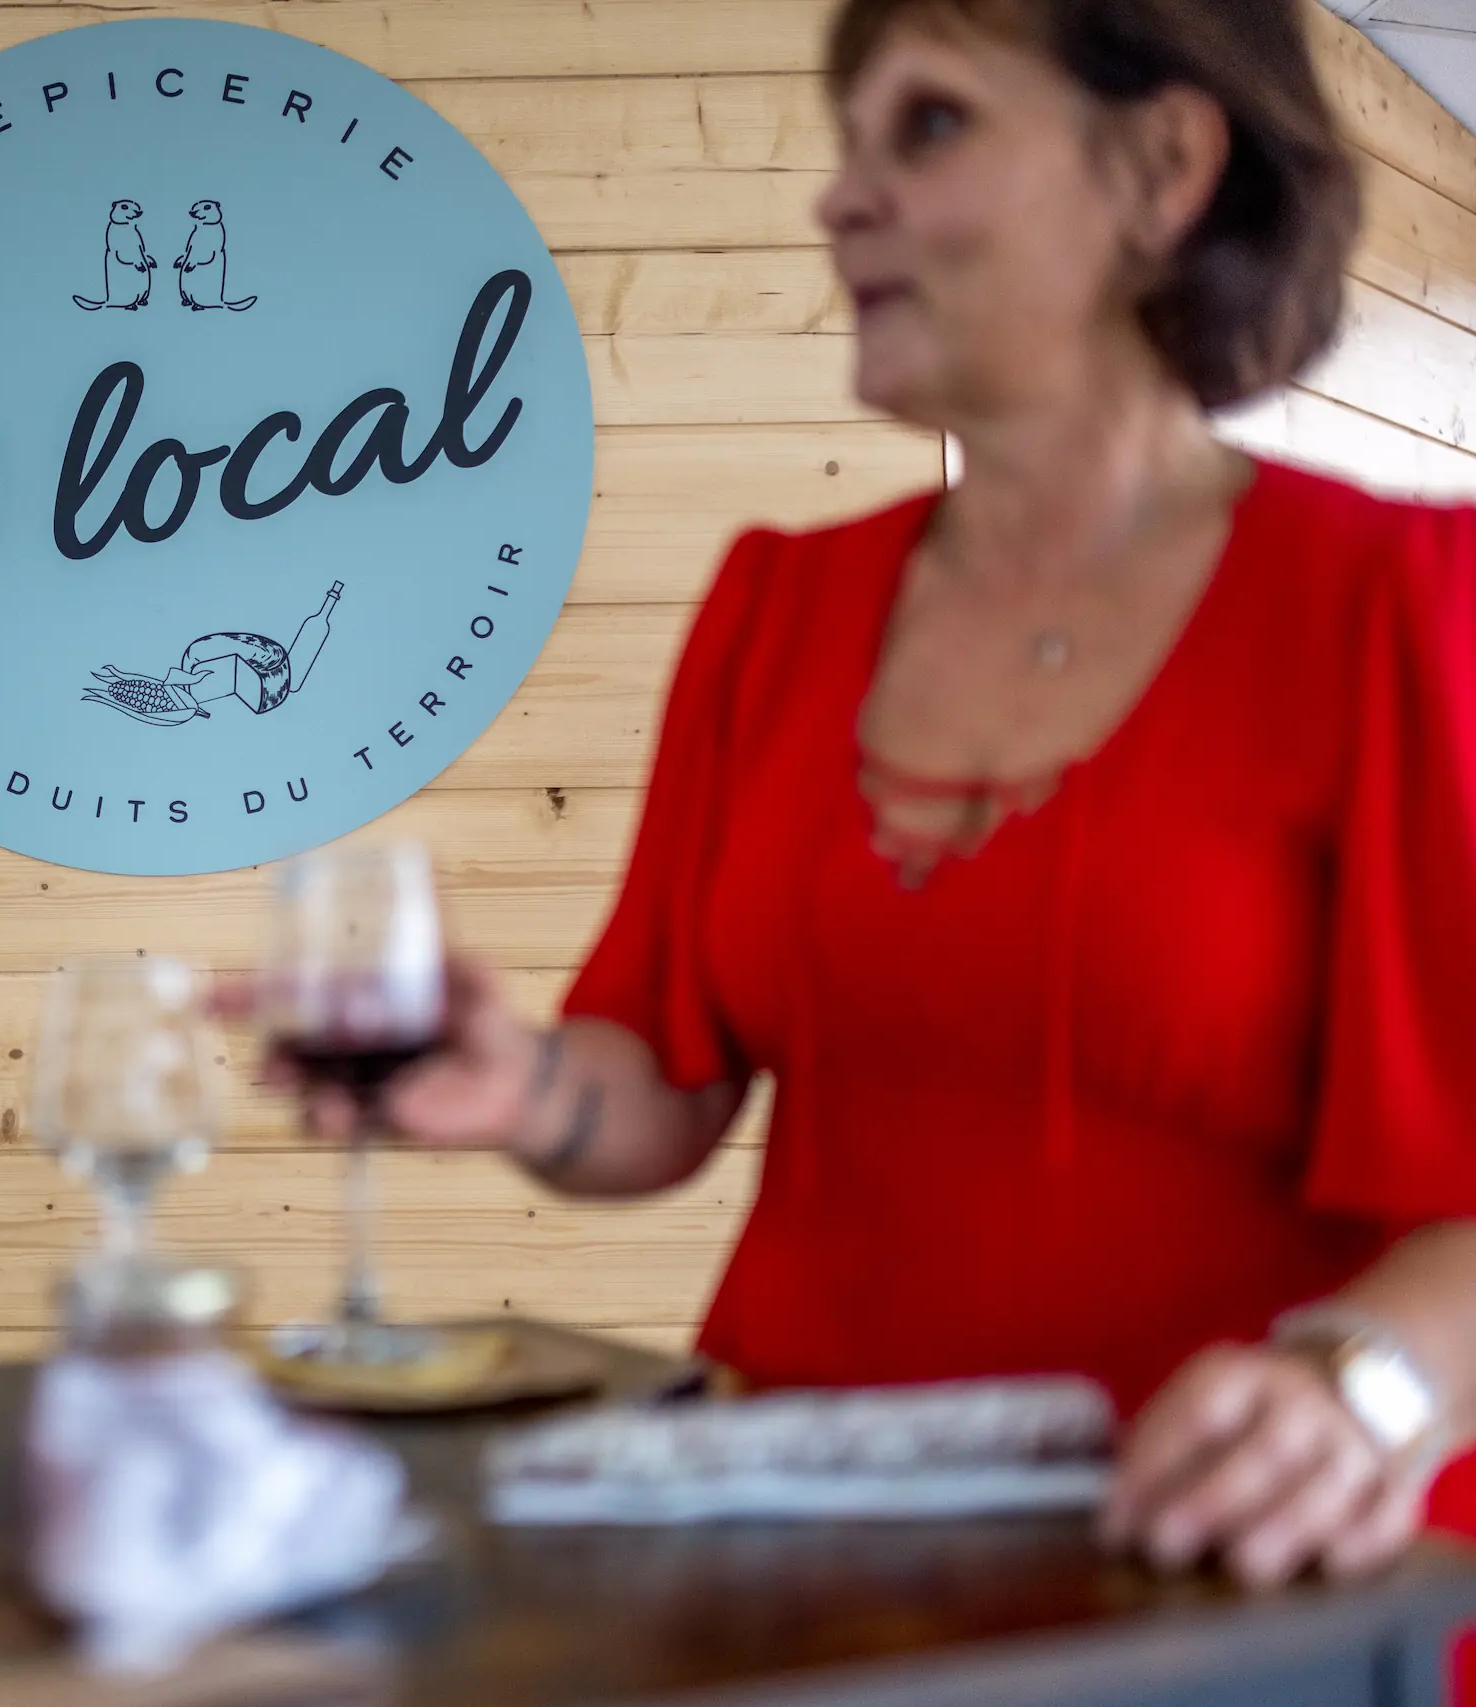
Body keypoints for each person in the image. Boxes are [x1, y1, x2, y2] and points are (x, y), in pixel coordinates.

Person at [299, 0, 1476, 1596]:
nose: (838, 198)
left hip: (1226, 1587)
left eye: (926, 126)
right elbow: (660, 1094)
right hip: (793, 1572)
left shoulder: (1398, 607)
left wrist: (1366, 1387)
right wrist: (523, 1090)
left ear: (1162, 163)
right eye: (845, 142)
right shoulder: (774, 608)